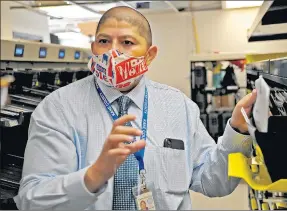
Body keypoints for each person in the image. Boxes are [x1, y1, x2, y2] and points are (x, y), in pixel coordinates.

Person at [14, 6, 257, 210]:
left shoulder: (178, 107)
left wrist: (237, 130)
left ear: (150, 55)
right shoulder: (58, 109)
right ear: (94, 49)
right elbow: (31, 199)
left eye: (127, 42)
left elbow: (214, 182)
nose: (113, 51)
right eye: (104, 41)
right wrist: (93, 176)